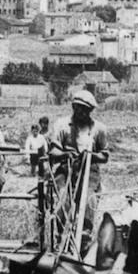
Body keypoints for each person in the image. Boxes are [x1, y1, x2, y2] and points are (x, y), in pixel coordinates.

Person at [49, 90, 109, 248]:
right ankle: (61, 238)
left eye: (87, 109)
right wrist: (64, 154)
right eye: (80, 108)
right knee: (63, 199)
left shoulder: (99, 129)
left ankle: (84, 238)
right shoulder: (62, 125)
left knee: (89, 199)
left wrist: (90, 156)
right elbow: (53, 152)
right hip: (66, 168)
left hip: (90, 170)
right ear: (74, 106)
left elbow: (104, 156)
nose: (83, 112)